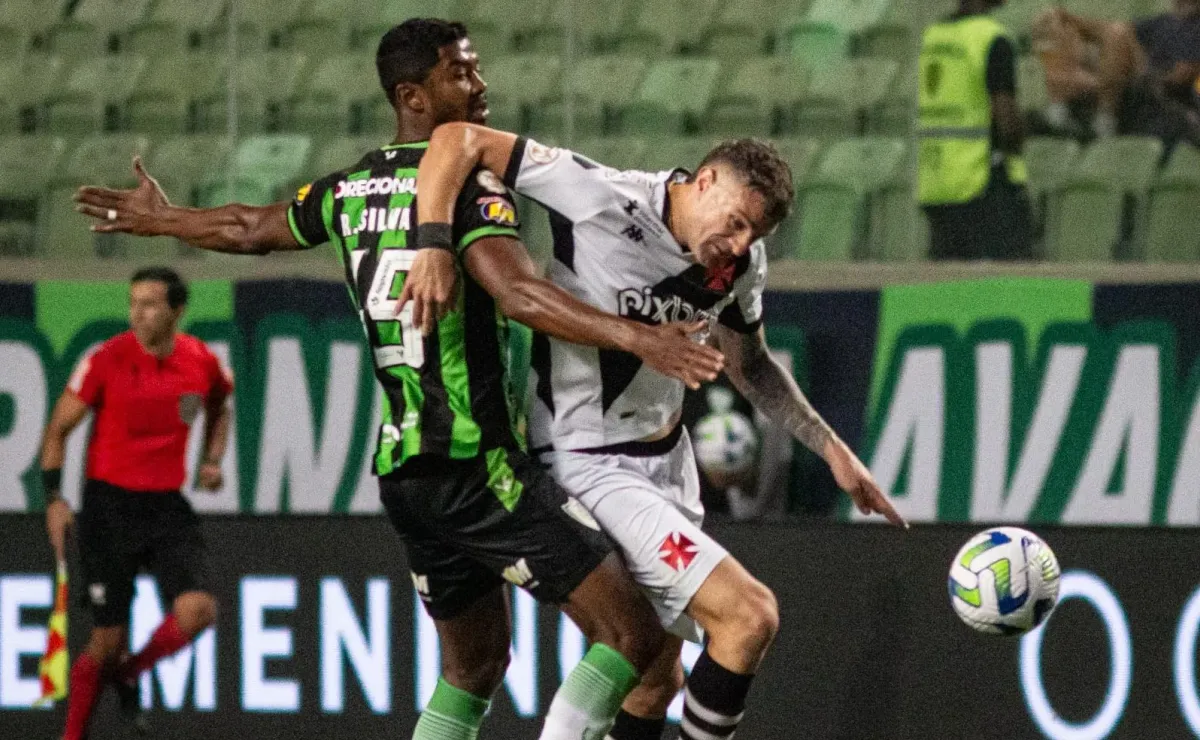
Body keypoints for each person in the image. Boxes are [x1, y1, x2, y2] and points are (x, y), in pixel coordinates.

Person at [74, 18, 729, 740]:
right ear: (412, 94)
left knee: (473, 670)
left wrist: (168, 219)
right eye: (462, 73)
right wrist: (642, 338)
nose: (481, 86)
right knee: (634, 635)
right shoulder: (470, 191)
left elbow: (250, 228)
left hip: (408, 476)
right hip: (477, 465)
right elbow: (518, 296)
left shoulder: (350, 187)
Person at [409, 125, 908, 740]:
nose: (740, 243)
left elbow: (749, 363)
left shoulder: (740, 263)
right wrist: (432, 242)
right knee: (748, 618)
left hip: (668, 462)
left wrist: (832, 449)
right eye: (734, 222)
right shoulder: (600, 197)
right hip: (587, 460)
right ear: (704, 182)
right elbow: (459, 138)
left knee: (656, 680)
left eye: (755, 233)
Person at [42, 267, 231, 740]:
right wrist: (54, 499)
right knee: (106, 642)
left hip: (165, 504)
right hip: (109, 506)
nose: (138, 313)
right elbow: (57, 429)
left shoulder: (200, 361)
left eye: (150, 304)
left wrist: (211, 460)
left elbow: (219, 406)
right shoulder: (106, 359)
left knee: (198, 611)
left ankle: (130, 674)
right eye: (133, 303)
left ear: (177, 310)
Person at [918, 0, 1035, 260]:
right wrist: (1023, 132)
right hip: (981, 182)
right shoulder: (991, 38)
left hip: (935, 180)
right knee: (1004, 284)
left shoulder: (933, 37)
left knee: (945, 287)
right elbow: (1006, 119)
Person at [1033, 0, 1200, 145]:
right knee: (1056, 23)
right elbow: (1110, 32)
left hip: (1157, 90)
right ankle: (1063, 111)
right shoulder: (1164, 21)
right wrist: (1068, 18)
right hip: (1130, 82)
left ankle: (1102, 118)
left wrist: (1145, 76)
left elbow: (1181, 76)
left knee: (1117, 33)